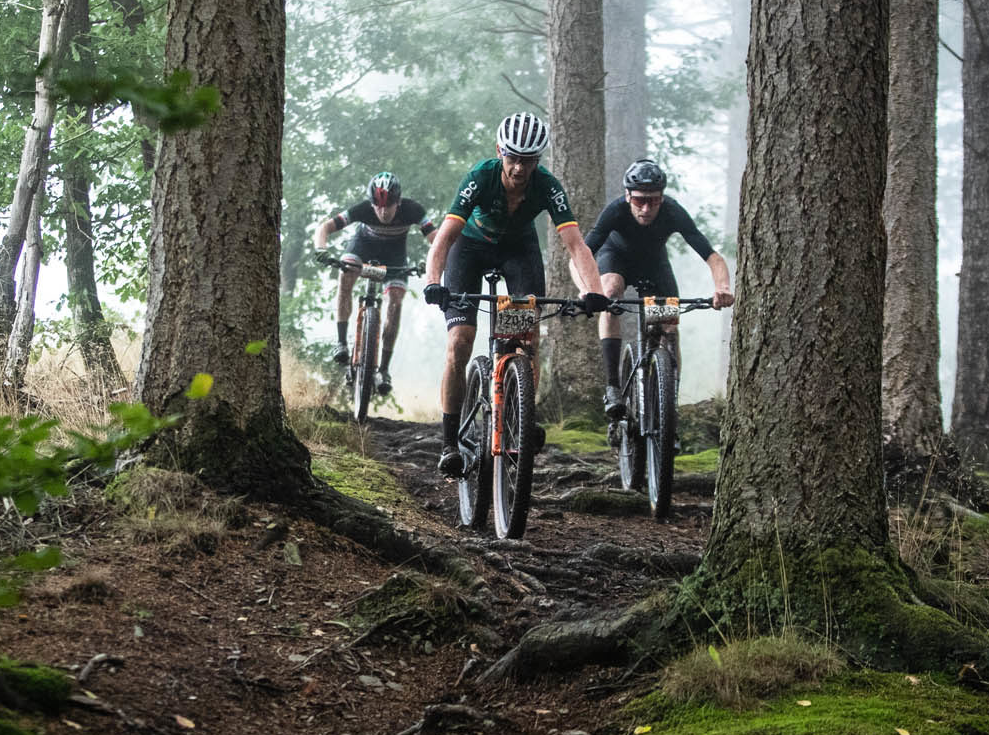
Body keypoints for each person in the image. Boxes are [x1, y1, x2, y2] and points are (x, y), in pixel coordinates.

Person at [420, 113, 605, 477]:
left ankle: (521, 410)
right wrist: (433, 281)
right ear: (500, 152)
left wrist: (594, 292)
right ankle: (448, 442)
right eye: (513, 158)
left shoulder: (547, 186)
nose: (520, 168)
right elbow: (444, 237)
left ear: (539, 160)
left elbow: (576, 244)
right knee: (460, 340)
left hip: (519, 251)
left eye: (529, 160)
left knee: (525, 332)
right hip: (470, 250)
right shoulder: (480, 176)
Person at [584, 158, 735, 418]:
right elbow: (584, 253)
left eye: (653, 200)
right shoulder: (615, 211)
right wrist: (589, 289)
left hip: (654, 264)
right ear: (627, 195)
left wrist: (722, 288)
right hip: (615, 257)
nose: (645, 208)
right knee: (610, 292)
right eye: (639, 200)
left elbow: (713, 257)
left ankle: (669, 401)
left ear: (662, 198)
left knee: (669, 324)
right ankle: (612, 387)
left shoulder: (673, 212)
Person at [312, 171, 436, 395]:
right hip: (362, 248)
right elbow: (325, 228)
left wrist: (431, 262)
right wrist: (321, 249)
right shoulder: (362, 210)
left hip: (395, 258)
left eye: (387, 206)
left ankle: (383, 370)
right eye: (377, 206)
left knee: (395, 301)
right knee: (346, 273)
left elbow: (436, 240)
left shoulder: (413, 210)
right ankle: (341, 342)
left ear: (398, 203)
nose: (382, 211)